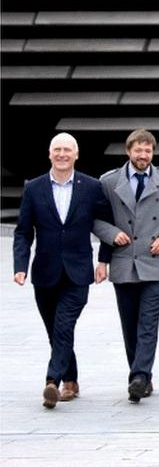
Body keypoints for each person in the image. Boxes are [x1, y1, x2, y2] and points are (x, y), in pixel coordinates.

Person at [13, 132, 112, 408]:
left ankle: (51, 382)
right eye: (57, 149)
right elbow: (22, 232)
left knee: (64, 324)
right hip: (44, 272)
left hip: (79, 272)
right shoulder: (34, 188)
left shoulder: (91, 187)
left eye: (67, 150)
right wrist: (20, 266)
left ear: (76, 155)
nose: (62, 154)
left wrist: (103, 261)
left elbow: (106, 225)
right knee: (54, 330)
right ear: (49, 154)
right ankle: (71, 380)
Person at [92, 128, 159, 403]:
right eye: (138, 150)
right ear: (129, 151)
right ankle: (141, 377)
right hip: (124, 261)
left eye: (148, 151)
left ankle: (139, 376)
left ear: (153, 153)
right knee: (130, 324)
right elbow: (96, 218)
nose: (143, 155)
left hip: (156, 262)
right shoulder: (108, 181)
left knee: (148, 321)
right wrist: (112, 235)